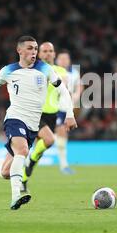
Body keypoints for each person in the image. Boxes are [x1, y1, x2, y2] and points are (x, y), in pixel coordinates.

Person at [0, 36, 77, 210]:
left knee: (5, 172)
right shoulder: (9, 70)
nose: (33, 52)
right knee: (23, 150)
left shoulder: (45, 69)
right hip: (15, 118)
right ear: (19, 50)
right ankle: (16, 196)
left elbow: (63, 91)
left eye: (35, 48)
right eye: (29, 48)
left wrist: (70, 114)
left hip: (33, 125)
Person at [21, 42, 76, 187]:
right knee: (49, 140)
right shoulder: (32, 69)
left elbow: (66, 94)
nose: (48, 53)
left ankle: (24, 179)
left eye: (50, 51)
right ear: (39, 54)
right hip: (35, 113)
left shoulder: (61, 72)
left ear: (54, 54)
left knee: (40, 149)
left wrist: (69, 114)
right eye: (44, 51)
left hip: (52, 114)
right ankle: (28, 163)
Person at [53, 50, 82, 175]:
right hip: (53, 106)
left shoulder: (74, 72)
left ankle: (64, 165)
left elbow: (80, 85)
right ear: (57, 60)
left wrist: (76, 94)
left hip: (65, 107)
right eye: (61, 58)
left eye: (66, 58)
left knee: (62, 133)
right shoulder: (52, 71)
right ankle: (64, 165)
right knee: (59, 132)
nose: (64, 61)